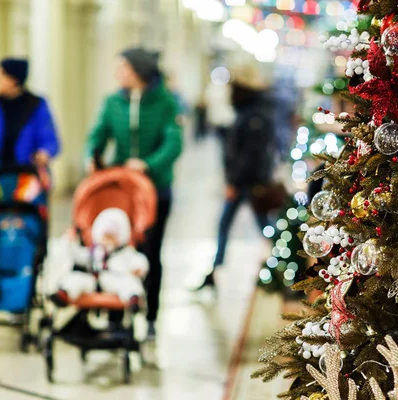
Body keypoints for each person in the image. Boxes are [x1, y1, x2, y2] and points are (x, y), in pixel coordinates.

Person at [85, 48, 183, 340]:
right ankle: (116, 316)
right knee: (116, 250)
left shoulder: (165, 102)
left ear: (139, 72)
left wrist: (148, 164)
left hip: (156, 189)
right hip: (122, 191)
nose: (118, 74)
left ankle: (151, 315)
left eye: (123, 68)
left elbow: (173, 142)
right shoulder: (112, 102)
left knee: (151, 252)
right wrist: (92, 155)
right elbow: (97, 134)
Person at [195, 63, 276, 290]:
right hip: (246, 182)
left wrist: (233, 182)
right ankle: (215, 270)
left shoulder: (254, 116)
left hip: (249, 183)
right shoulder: (249, 113)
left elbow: (250, 155)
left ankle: (283, 264)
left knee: (262, 227)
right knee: (253, 226)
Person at [0, 58, 60, 196]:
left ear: (14, 80)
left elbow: (50, 140)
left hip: (26, 176)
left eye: (0, 76)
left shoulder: (37, 105)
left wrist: (44, 152)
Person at [52, 208, 148, 306]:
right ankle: (64, 293)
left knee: (128, 283)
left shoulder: (125, 252)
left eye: (111, 237)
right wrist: (71, 241)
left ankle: (133, 298)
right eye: (105, 237)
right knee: (75, 278)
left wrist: (138, 268)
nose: (107, 241)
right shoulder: (94, 250)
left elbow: (138, 260)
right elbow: (77, 255)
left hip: (113, 281)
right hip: (92, 280)